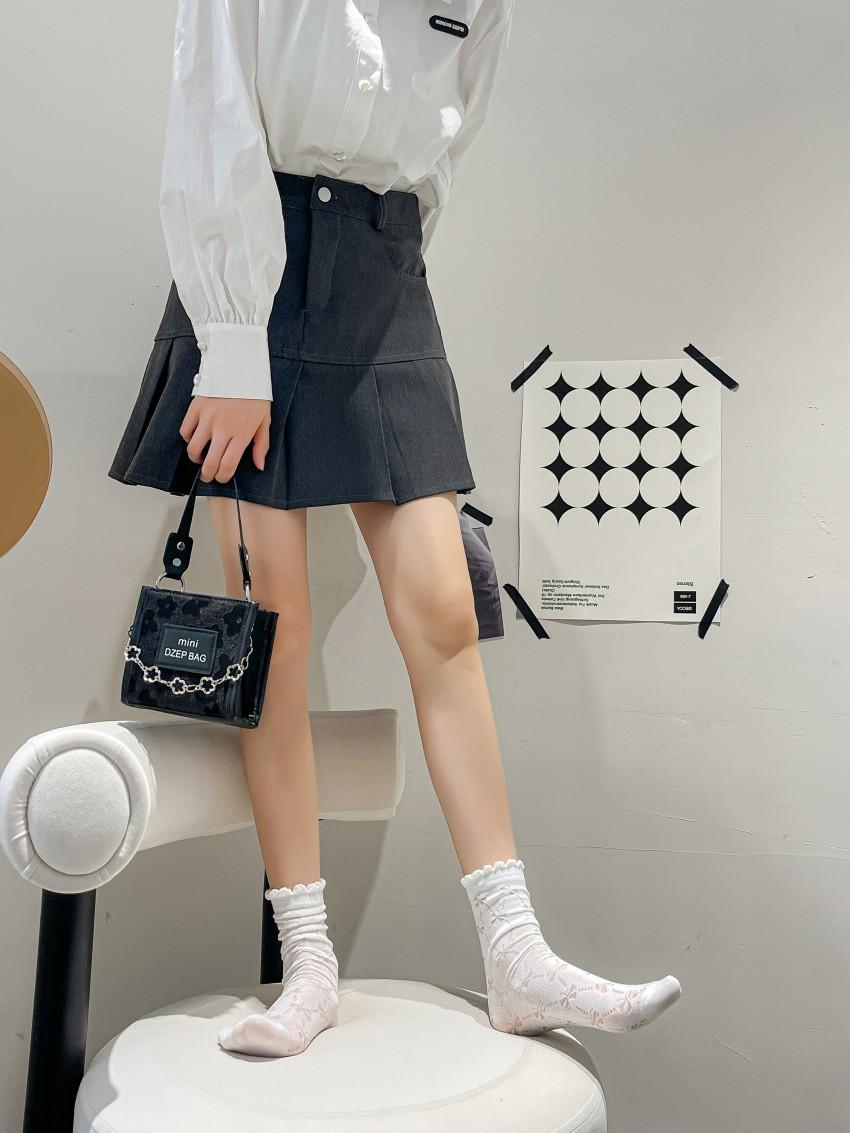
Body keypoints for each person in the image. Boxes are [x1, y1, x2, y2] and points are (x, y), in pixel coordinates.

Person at [108, 0, 683, 1059]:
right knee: (272, 636)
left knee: (446, 613)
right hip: (257, 263)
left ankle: (514, 951)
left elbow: (444, 151)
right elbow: (212, 112)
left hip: (385, 272)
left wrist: (388, 265)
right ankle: (308, 963)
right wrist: (231, 341)